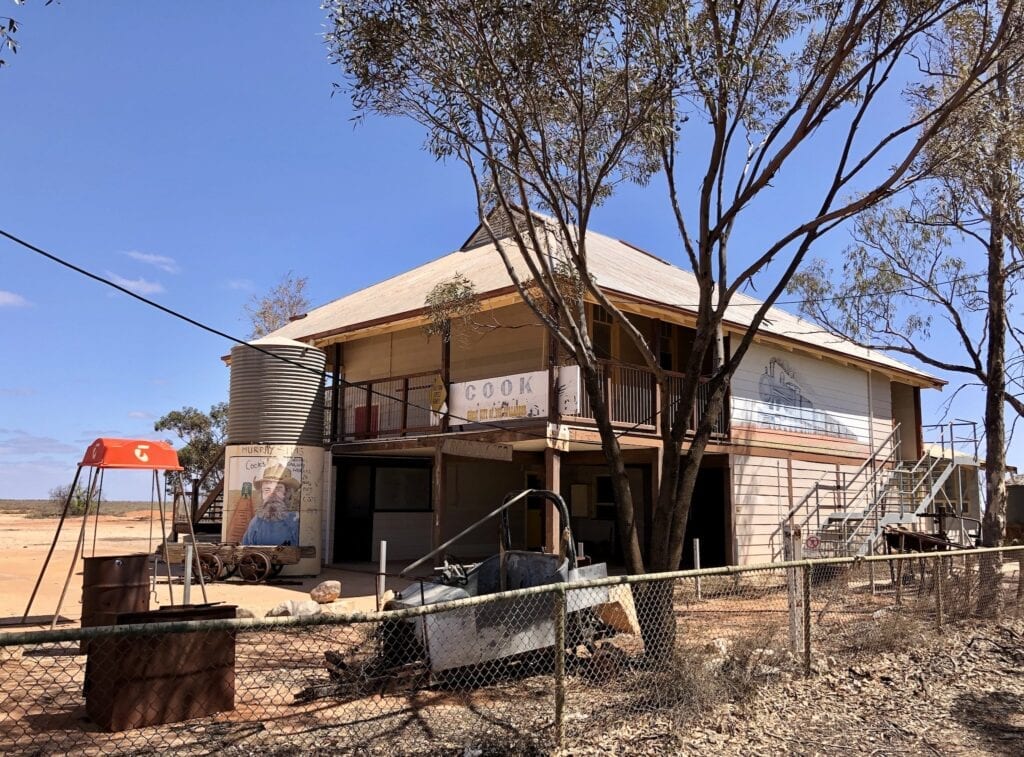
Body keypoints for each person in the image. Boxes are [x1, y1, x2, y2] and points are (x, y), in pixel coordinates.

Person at [241, 464, 300, 546]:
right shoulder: (255, 522)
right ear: (262, 495)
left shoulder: (296, 522)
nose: (272, 494)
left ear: (286, 493)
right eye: (267, 490)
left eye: (278, 489)